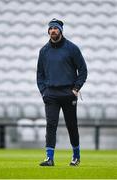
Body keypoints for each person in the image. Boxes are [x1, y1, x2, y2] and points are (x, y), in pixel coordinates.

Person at [36, 18, 87, 166]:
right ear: (48, 31)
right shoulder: (43, 51)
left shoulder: (72, 48)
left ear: (61, 30)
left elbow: (83, 71)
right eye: (50, 28)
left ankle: (76, 156)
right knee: (51, 125)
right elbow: (40, 74)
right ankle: (49, 158)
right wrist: (43, 92)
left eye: (55, 28)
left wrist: (76, 88)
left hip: (68, 93)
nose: (53, 31)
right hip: (51, 94)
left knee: (72, 125)